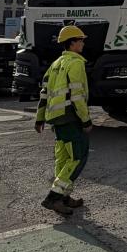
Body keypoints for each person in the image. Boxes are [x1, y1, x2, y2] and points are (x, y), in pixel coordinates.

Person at [34, 25, 92, 215]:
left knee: (63, 158)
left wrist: (39, 118)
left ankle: (65, 196)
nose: (83, 43)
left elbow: (44, 93)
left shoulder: (56, 63)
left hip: (55, 118)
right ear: (72, 43)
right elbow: (77, 95)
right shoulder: (76, 63)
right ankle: (54, 198)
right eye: (80, 40)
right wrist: (86, 120)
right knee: (78, 157)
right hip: (70, 117)